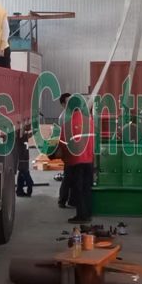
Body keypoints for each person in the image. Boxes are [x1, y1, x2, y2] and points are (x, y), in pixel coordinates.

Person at [55, 93, 95, 224]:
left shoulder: (67, 124)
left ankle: (81, 216)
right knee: (86, 188)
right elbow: (94, 141)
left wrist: (63, 159)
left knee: (78, 189)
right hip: (88, 160)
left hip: (75, 162)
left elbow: (62, 145)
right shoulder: (90, 122)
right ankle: (88, 214)